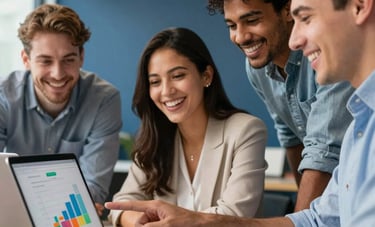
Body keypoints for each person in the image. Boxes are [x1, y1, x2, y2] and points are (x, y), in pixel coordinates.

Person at [105, 0, 375, 226]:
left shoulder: (245, 129)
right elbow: (315, 213)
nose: (296, 40)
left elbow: (321, 151)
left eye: (306, 18)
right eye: (232, 25)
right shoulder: (357, 128)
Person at [108, 27, 267, 226]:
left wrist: (172, 221)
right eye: (155, 81)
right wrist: (136, 219)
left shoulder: (246, 131)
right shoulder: (155, 137)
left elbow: (235, 214)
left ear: (206, 76)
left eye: (178, 76)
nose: (166, 91)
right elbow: (122, 203)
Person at [206, 0, 355, 210]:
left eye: (252, 20)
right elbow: (291, 134)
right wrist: (302, 214)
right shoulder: (257, 69)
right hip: (336, 198)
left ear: (287, 11)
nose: (240, 37)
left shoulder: (326, 55)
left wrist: (302, 219)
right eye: (232, 26)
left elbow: (324, 151)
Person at [0, 4, 122, 215]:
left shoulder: (104, 99)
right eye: (45, 61)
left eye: (68, 60)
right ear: (26, 60)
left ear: (81, 57)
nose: (57, 74)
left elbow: (92, 189)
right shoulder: (3, 96)